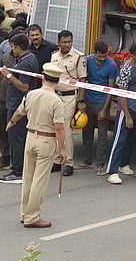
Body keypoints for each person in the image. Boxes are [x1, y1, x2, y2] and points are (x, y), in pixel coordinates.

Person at [6, 63, 66, 228]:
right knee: (39, 180)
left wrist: (11, 123)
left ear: (43, 78)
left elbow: (19, 112)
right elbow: (59, 127)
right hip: (46, 140)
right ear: (57, 81)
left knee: (28, 177)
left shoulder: (31, 94)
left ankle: (25, 213)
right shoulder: (57, 101)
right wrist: (62, 148)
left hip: (30, 137)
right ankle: (32, 217)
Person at [0, 33, 40, 184]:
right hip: (16, 104)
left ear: (18, 47)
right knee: (17, 138)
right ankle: (20, 169)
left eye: (13, 47)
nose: (12, 50)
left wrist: (8, 75)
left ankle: (18, 171)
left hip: (18, 106)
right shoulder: (26, 59)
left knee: (16, 139)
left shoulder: (26, 63)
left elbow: (24, 86)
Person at [106, 42, 136, 184]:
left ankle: (124, 164)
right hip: (126, 109)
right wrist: (127, 115)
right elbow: (121, 94)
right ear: (133, 55)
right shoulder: (126, 69)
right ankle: (112, 171)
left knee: (131, 139)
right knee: (120, 140)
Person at [0, 20, 28, 172]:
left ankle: (18, 160)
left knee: (17, 131)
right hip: (3, 96)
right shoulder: (6, 57)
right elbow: (0, 76)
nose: (12, 48)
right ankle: (5, 157)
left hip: (17, 99)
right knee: (3, 128)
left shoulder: (25, 59)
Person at [49, 29, 86, 177]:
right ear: (58, 43)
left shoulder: (78, 57)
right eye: (64, 42)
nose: (67, 45)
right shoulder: (53, 56)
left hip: (70, 97)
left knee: (65, 129)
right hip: (55, 96)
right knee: (54, 128)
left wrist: (80, 101)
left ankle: (68, 162)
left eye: (69, 42)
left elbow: (83, 80)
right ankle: (57, 160)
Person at [79, 40, 117, 175]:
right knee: (86, 132)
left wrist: (104, 109)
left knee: (102, 135)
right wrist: (81, 101)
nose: (102, 59)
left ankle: (100, 164)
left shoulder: (112, 65)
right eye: (100, 56)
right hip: (88, 101)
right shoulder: (87, 61)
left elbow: (110, 89)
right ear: (95, 53)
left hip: (102, 102)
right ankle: (87, 160)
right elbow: (82, 80)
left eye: (105, 56)